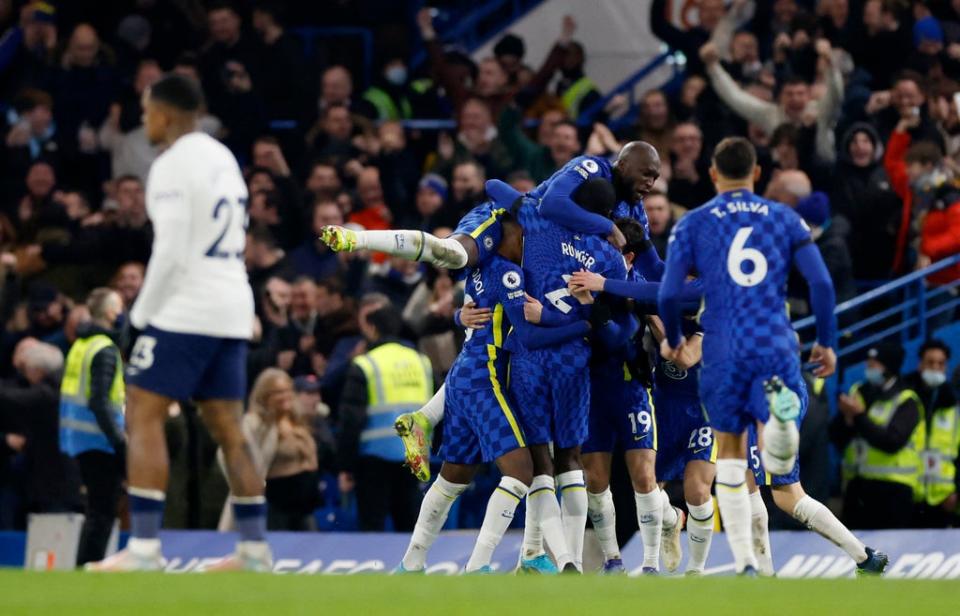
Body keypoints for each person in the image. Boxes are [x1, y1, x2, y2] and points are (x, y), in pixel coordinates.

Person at [87, 74, 270, 572]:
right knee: (229, 425)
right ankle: (254, 550)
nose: (144, 120)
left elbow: (169, 251)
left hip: (188, 306)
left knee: (142, 411)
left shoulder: (170, 164)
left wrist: (139, 318)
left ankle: (144, 549)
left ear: (165, 114)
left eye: (147, 111)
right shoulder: (224, 158)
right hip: (233, 304)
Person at [658, 137, 838, 575]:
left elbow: (667, 293)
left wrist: (675, 338)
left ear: (713, 174)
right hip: (775, 340)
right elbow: (822, 285)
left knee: (733, 459)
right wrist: (827, 340)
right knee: (769, 448)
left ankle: (745, 563)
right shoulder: (785, 218)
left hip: (723, 346)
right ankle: (778, 431)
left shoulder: (693, 223)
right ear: (757, 174)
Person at [397, 211, 594, 574]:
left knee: (453, 478)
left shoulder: (477, 269)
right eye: (524, 236)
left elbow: (472, 315)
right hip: (486, 376)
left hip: (465, 375)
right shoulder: (509, 272)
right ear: (510, 235)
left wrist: (459, 316)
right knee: (523, 470)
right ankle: (479, 565)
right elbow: (530, 332)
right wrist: (583, 324)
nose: (529, 243)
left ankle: (411, 562)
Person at [337, 305, 432, 532]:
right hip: (415, 457)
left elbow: (351, 419)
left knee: (372, 527)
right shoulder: (422, 362)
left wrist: (345, 466)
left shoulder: (365, 364)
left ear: (371, 328)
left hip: (373, 458)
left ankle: (375, 566)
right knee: (410, 527)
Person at [59, 288, 126, 566]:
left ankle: (87, 565)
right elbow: (99, 400)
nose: (122, 313)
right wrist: (120, 441)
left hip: (79, 438)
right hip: (99, 440)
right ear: (110, 312)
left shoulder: (81, 344)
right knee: (102, 512)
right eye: (119, 307)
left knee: (97, 511)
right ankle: (89, 566)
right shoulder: (104, 349)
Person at [830, 343, 921, 530]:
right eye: (868, 364)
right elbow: (835, 436)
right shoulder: (860, 392)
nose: (869, 369)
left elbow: (892, 441)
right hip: (858, 487)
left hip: (893, 491)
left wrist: (859, 417)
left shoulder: (906, 400)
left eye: (874, 365)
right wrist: (847, 420)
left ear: (889, 367)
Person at [904, 340, 959, 528]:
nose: (935, 368)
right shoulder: (906, 398)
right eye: (930, 362)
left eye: (941, 363)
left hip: (942, 499)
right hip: (908, 495)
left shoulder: (953, 405)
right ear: (920, 364)